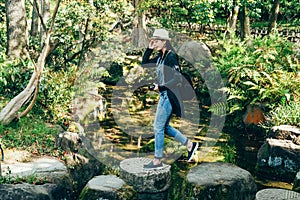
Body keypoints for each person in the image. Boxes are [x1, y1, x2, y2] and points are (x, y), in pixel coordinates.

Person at [141, 28, 198, 170]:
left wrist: (160, 87)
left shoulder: (171, 57)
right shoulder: (161, 57)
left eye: (157, 40)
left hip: (169, 96)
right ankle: (190, 144)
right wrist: (149, 49)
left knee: (158, 128)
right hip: (164, 95)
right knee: (164, 127)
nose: (155, 43)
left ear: (165, 42)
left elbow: (177, 78)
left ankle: (157, 160)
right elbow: (144, 63)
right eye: (153, 40)